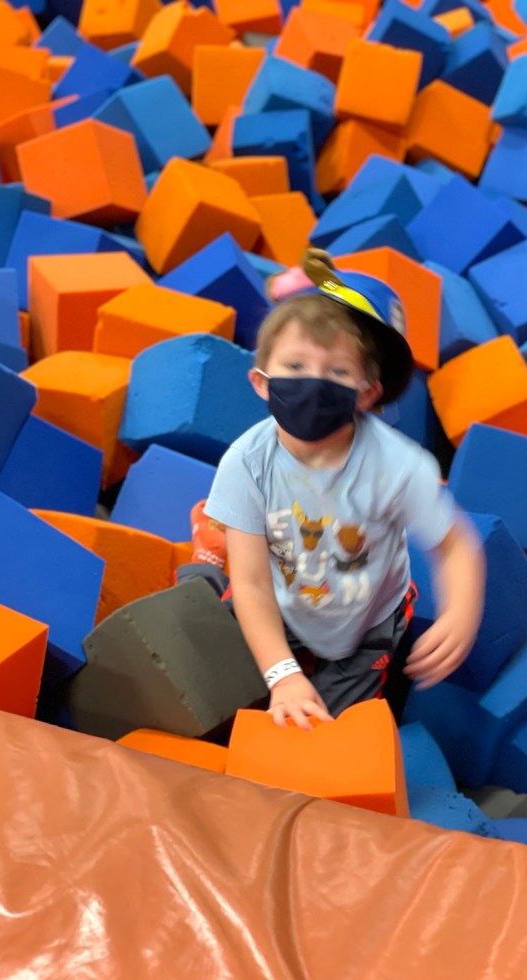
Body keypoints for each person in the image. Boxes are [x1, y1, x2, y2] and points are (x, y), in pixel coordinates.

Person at [201, 249, 486, 730]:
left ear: (367, 393)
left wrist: (461, 611)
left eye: (336, 372)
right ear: (261, 382)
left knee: (330, 732)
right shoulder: (247, 461)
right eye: (295, 365)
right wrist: (283, 674)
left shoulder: (397, 465)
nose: (314, 383)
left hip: (368, 622)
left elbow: (457, 544)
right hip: (281, 599)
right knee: (226, 684)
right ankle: (207, 554)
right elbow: (251, 583)